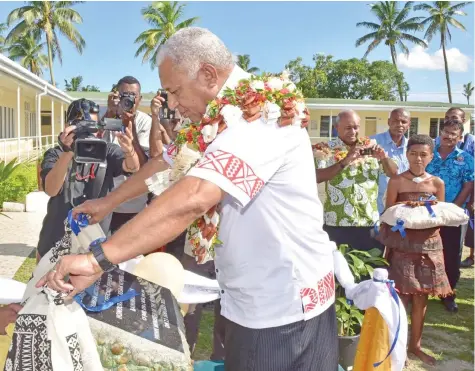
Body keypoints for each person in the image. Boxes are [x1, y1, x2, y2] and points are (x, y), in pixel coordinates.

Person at [39, 27, 339, 370]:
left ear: (209, 74)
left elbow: (196, 195)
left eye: (175, 91)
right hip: (250, 299)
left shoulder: (261, 115)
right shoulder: (215, 118)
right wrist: (107, 203)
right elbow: (164, 160)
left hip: (283, 311)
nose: (174, 103)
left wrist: (96, 261)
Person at [375, 134, 449, 366]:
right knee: (402, 297)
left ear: (431, 156)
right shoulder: (397, 181)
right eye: (414, 153)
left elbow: (441, 216)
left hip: (429, 247)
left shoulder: (437, 183)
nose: (418, 159)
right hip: (403, 246)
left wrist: (426, 210)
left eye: (424, 154)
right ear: (407, 155)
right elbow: (389, 214)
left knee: (421, 298)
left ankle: (415, 345)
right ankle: (398, 348)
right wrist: (407, 209)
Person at [36, 98, 140, 259]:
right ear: (68, 128)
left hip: (94, 246)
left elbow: (132, 167)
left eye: (92, 128)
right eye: (82, 129)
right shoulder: (56, 154)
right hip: (55, 242)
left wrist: (129, 150)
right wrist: (68, 151)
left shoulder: (108, 151)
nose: (89, 135)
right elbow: (51, 189)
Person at [315, 109, 398, 252]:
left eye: (356, 127)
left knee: (370, 271)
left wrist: (383, 158)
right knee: (339, 270)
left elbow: (394, 173)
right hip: (337, 223)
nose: (353, 131)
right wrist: (345, 161)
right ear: (336, 128)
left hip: (369, 223)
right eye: (348, 128)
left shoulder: (371, 147)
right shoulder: (325, 149)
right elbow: (318, 177)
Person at [427, 118, 474, 312]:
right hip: (428, 213)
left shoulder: (466, 159)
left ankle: (448, 293)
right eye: (445, 132)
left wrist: (451, 209)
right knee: (426, 252)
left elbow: (468, 184)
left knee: (452, 254)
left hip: (454, 215)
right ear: (440, 133)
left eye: (453, 134)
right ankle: (423, 289)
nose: (448, 136)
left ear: (460, 137)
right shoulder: (429, 155)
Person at [103, 76, 152, 234]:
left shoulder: (145, 121)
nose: (129, 100)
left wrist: (129, 126)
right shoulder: (108, 118)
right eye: (125, 95)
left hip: (134, 205)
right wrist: (110, 112)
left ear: (140, 99)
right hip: (105, 204)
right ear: (116, 95)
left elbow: (144, 165)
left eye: (133, 96)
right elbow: (92, 144)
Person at [371, 108, 410, 214]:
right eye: (395, 121)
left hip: (403, 206)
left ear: (409, 124)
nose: (399, 124)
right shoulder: (373, 143)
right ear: (389, 122)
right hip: (377, 206)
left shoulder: (412, 147)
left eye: (403, 121)